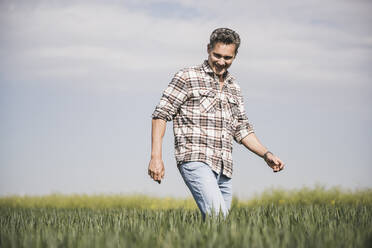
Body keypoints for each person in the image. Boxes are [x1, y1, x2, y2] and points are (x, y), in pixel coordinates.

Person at [148, 28, 284, 219]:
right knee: (218, 218)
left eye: (227, 57)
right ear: (208, 49)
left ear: (235, 56)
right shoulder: (187, 77)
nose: (221, 61)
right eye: (217, 55)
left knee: (219, 231)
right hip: (195, 159)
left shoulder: (233, 86)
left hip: (224, 168)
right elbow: (160, 115)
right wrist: (156, 157)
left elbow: (241, 129)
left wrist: (266, 154)